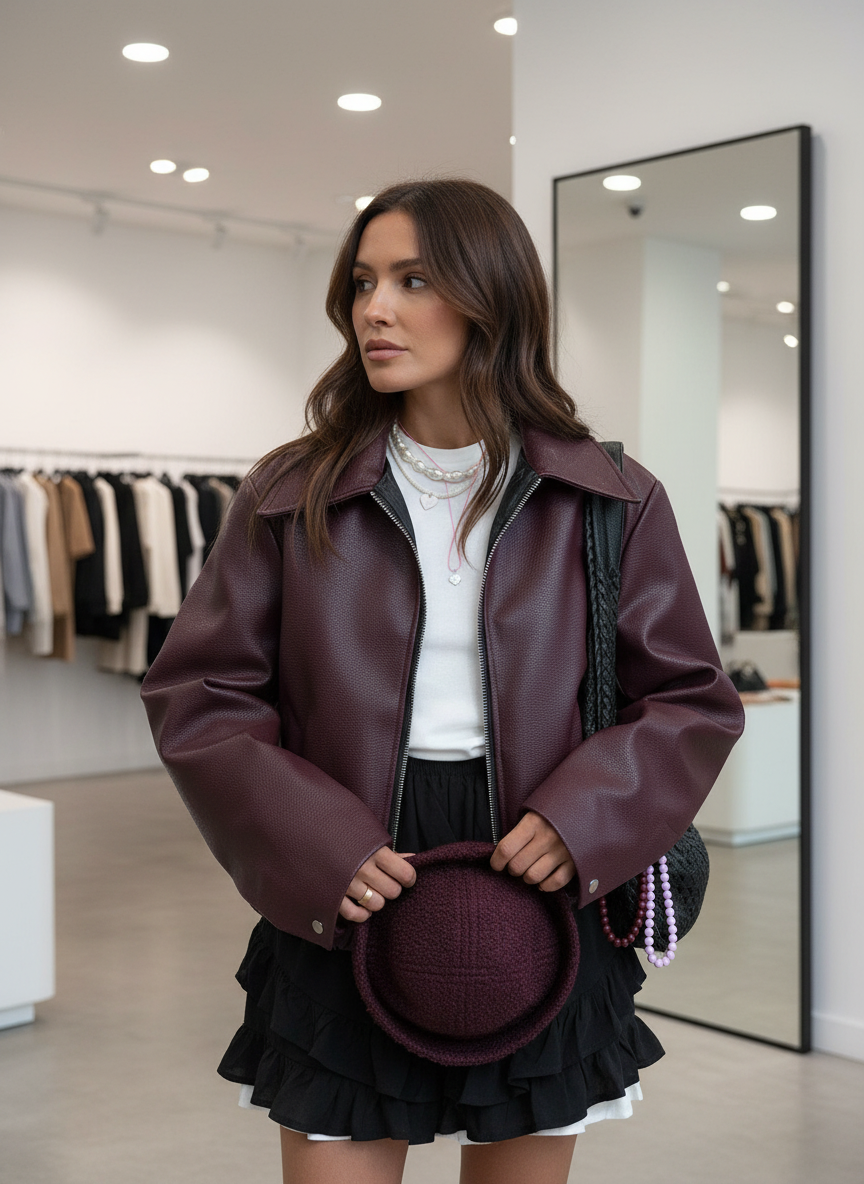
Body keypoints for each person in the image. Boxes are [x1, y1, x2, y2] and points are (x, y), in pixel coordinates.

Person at [141, 178, 744, 1184]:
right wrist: (315, 841)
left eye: (413, 280)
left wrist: (585, 819)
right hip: (352, 859)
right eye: (363, 281)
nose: (374, 308)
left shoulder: (609, 497)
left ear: (490, 294)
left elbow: (690, 698)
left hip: (538, 861)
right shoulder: (292, 491)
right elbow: (200, 695)